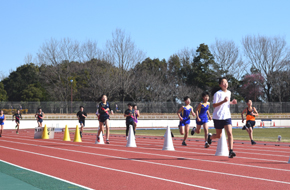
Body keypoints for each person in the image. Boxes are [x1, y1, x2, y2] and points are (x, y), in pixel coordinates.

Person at [207, 77, 237, 158]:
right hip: (218, 117)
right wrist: (223, 101)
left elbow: (226, 103)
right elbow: (214, 105)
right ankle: (210, 137)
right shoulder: (217, 94)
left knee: (230, 133)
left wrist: (231, 102)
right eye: (223, 82)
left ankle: (231, 151)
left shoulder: (229, 92)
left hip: (227, 116)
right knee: (218, 135)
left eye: (226, 82)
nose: (225, 84)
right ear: (220, 84)